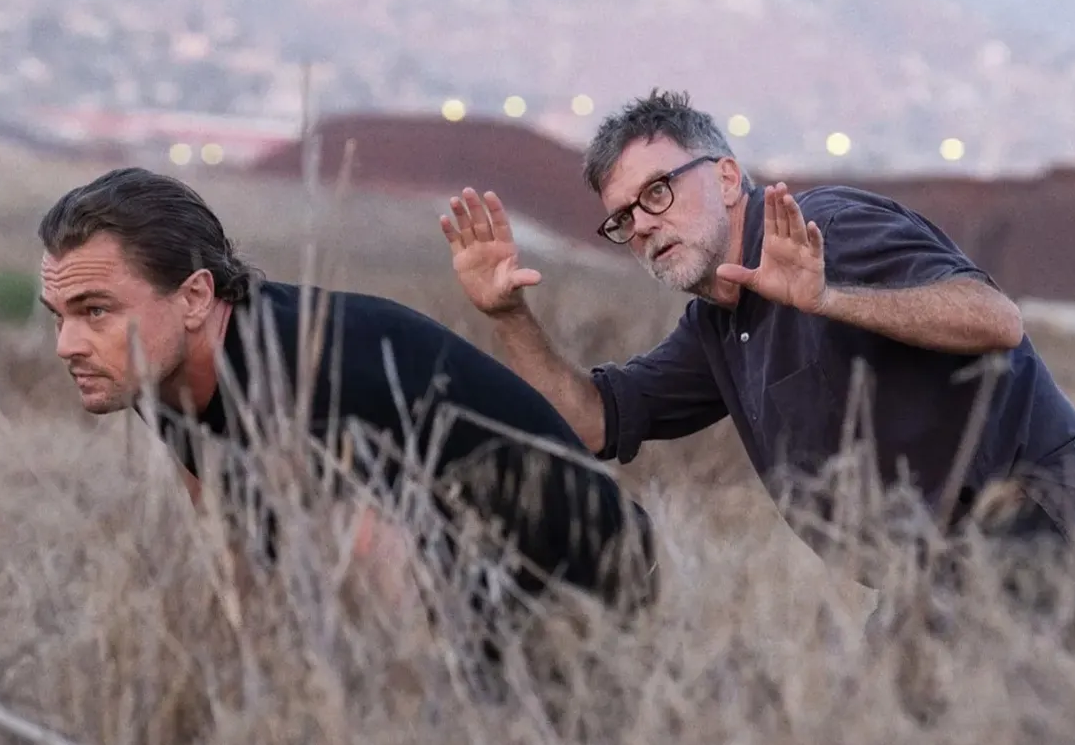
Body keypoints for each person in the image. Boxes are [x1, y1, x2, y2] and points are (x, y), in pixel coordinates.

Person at [439, 89, 1075, 651]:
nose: (643, 224)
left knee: (928, 730)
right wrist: (508, 316)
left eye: (657, 193)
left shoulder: (823, 228)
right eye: (622, 219)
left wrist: (827, 298)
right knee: (882, 734)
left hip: (1038, 513)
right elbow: (593, 422)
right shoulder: (714, 324)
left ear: (728, 177)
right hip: (932, 569)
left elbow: (996, 319)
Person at [34, 167, 661, 646]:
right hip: (464, 590)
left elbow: (394, 626)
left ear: (196, 296)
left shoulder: (304, 376)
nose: (69, 346)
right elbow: (230, 546)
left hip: (593, 601)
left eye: (95, 311)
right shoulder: (160, 362)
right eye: (59, 316)